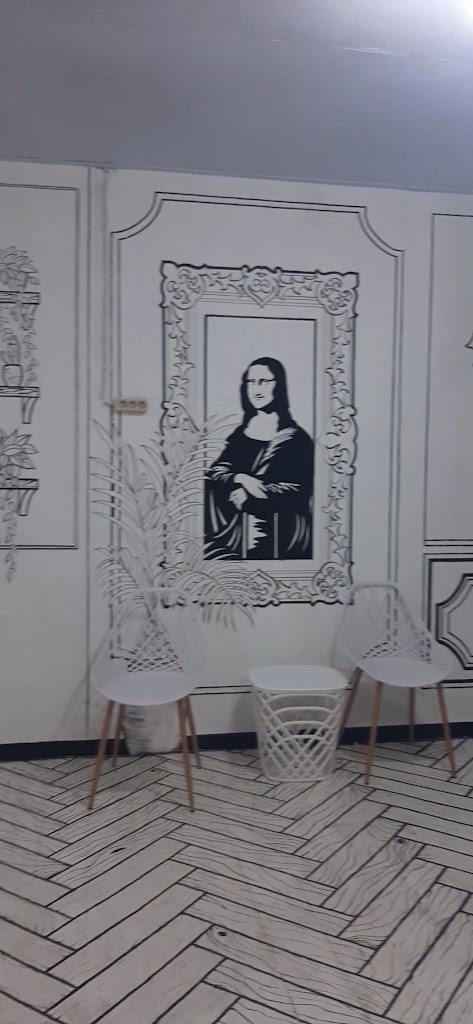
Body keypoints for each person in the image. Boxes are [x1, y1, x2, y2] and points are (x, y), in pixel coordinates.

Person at [205, 357, 314, 560]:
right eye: (251, 382)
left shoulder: (296, 438)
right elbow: (216, 472)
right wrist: (241, 478)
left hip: (283, 533)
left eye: (264, 381)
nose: (256, 389)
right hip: (239, 530)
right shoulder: (240, 434)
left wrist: (252, 496)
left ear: (279, 385)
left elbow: (299, 491)